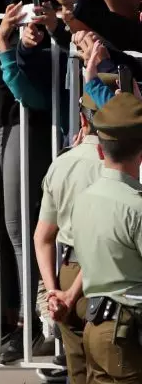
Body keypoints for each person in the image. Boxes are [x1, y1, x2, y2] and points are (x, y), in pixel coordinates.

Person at [34, 73, 116, 384]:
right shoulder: (121, 165)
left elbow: (42, 237)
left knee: (77, 371)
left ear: (83, 119)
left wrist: (54, 290)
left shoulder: (63, 163)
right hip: (105, 276)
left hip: (69, 269)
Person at [69, 93, 142, 383]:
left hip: (95, 324)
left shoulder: (84, 199)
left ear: (100, 151)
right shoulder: (136, 206)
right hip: (125, 331)